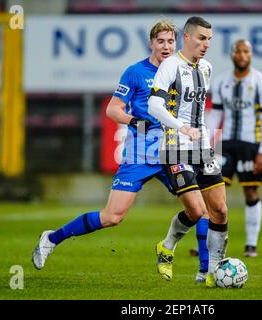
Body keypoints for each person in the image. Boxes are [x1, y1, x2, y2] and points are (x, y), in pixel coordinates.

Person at [31, 20, 179, 270]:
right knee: (113, 217)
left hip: (173, 150)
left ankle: (204, 269)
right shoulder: (136, 72)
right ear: (151, 43)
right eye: (161, 41)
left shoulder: (181, 71)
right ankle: (52, 238)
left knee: (201, 207)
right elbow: (113, 109)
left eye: (171, 41)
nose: (166, 46)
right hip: (140, 153)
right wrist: (136, 121)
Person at [148, 16, 228, 288]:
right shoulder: (170, 66)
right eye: (202, 38)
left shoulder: (206, 67)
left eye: (209, 40)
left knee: (220, 210)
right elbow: (154, 107)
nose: (206, 45)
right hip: (174, 147)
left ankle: (213, 273)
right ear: (187, 37)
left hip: (202, 147)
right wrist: (182, 128)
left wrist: (207, 141)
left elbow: (201, 112)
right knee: (196, 211)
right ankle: (167, 245)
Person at [206, 39, 262, 258]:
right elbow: (215, 115)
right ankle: (211, 245)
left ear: (251, 55)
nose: (242, 55)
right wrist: (209, 145)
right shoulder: (220, 82)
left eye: (246, 51)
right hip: (224, 144)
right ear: (232, 54)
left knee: (251, 191)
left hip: (250, 144)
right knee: (213, 193)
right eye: (239, 51)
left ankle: (251, 244)